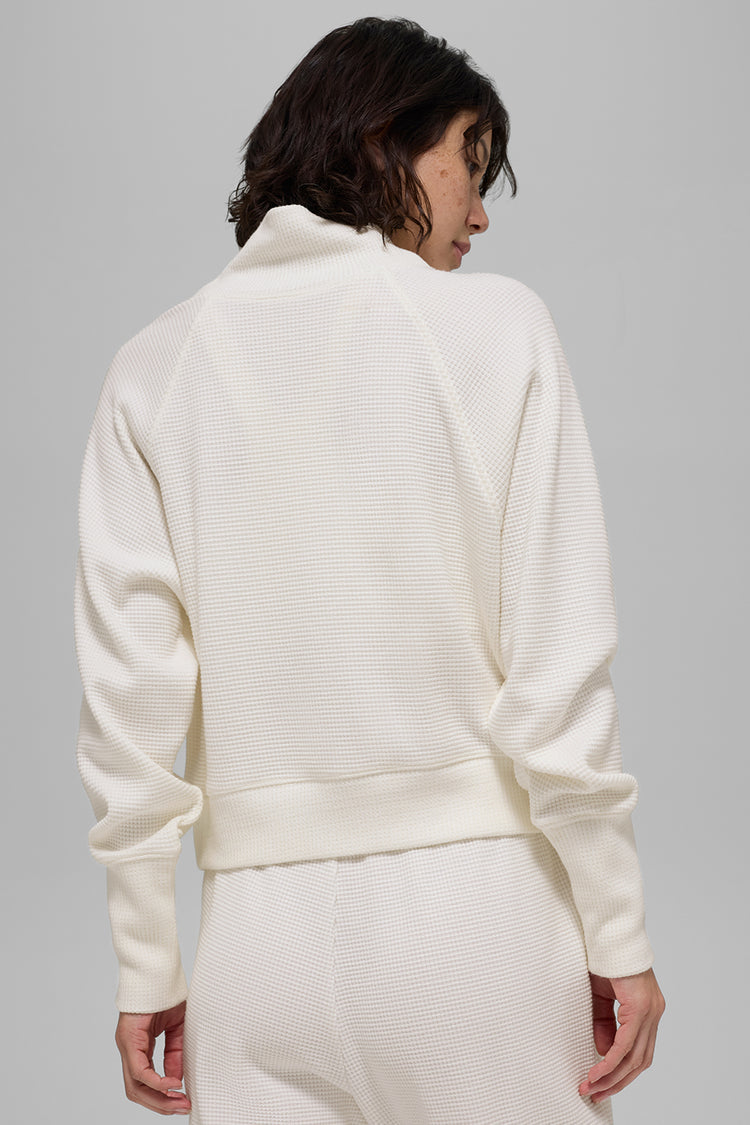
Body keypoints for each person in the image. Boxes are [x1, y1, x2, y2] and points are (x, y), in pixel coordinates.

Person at [73, 15, 665, 1123]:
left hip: (253, 953)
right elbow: (559, 669)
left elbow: (129, 704)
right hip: (478, 927)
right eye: (470, 165)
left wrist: (148, 960)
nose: (479, 212)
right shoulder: (497, 326)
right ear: (389, 141)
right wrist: (616, 927)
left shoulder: (152, 367)